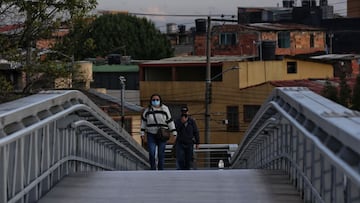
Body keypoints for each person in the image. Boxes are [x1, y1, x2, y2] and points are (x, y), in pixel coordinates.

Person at [140, 93, 177, 170]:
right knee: (151, 153)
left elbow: (170, 121)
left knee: (161, 153)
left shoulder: (165, 109)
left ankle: (161, 170)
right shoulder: (147, 110)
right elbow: (143, 122)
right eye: (153, 100)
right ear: (151, 101)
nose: (155, 101)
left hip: (162, 134)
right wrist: (142, 133)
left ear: (160, 100)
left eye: (157, 100)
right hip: (151, 134)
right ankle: (153, 169)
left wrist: (174, 132)